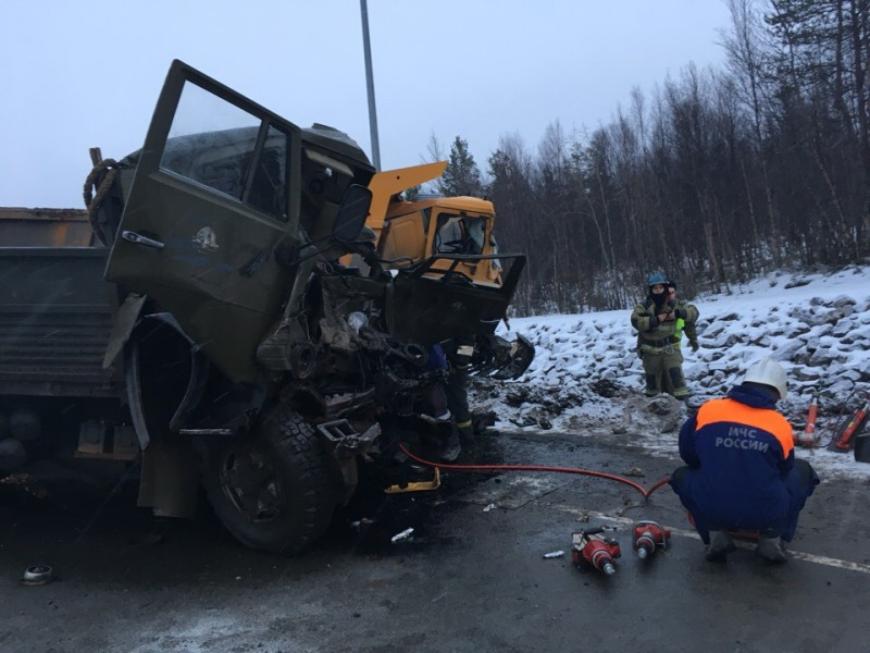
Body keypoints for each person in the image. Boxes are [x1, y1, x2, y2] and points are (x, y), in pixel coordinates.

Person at [669, 358, 820, 563]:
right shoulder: (779, 425)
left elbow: (689, 455)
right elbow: (785, 468)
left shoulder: (708, 410)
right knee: (803, 473)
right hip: (765, 511)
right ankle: (772, 538)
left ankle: (715, 534)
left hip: (712, 505)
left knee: (681, 476)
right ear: (777, 393)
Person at [630, 273, 698, 398]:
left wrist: (679, 313)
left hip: (670, 350)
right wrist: (655, 320)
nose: (658, 291)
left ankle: (681, 406)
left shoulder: (675, 304)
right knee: (652, 386)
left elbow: (694, 313)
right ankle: (654, 410)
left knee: (677, 381)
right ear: (651, 290)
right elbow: (636, 321)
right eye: (655, 289)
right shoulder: (644, 306)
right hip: (650, 352)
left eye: (660, 288)